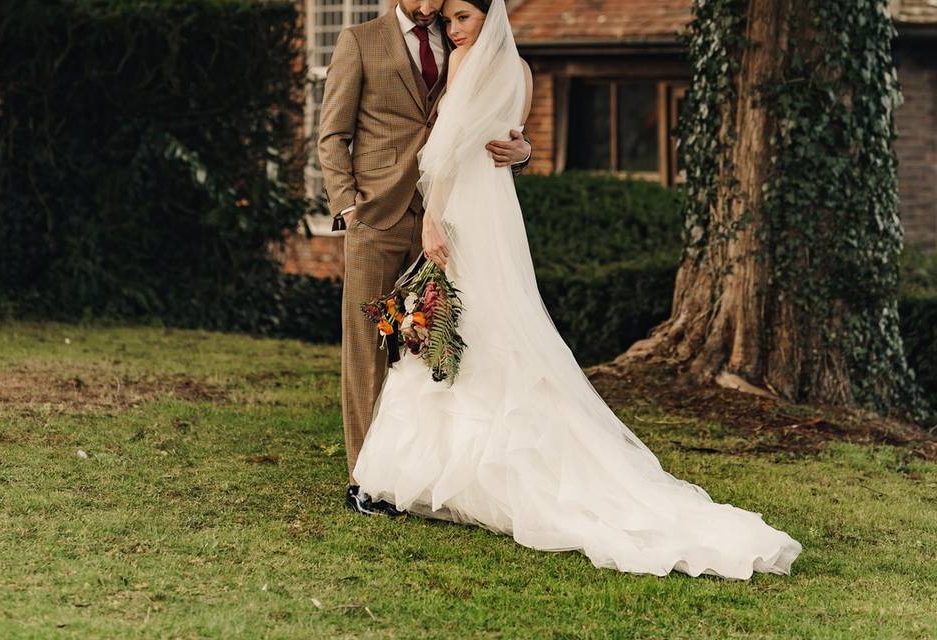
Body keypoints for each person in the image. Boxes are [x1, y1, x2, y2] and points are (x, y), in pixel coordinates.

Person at [351, 0, 803, 580]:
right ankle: (445, 472)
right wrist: (521, 154)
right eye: (448, 22)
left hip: (464, 205)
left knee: (469, 324)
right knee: (479, 323)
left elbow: (448, 148)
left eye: (462, 18)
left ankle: (445, 476)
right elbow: (509, 142)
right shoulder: (522, 71)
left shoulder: (469, 64)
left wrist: (432, 217)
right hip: (495, 210)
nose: (453, 30)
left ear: (491, 17)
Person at [317, 0, 533, 516]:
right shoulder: (360, 41)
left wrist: (523, 154)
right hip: (378, 218)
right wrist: (348, 204)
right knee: (371, 341)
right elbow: (332, 135)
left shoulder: (463, 39)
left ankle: (415, 471)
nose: (430, 7)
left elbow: (483, 122)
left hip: (448, 220)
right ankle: (364, 479)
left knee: (431, 340)